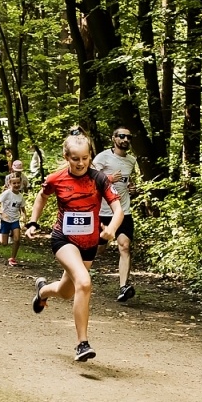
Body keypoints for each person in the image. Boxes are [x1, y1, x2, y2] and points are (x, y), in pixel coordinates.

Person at [25, 134, 122, 362]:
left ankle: (42, 291)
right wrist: (32, 221)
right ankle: (82, 343)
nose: (81, 163)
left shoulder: (99, 179)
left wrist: (111, 230)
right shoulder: (56, 179)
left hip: (88, 244)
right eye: (76, 159)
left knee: (66, 292)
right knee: (85, 282)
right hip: (63, 239)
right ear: (66, 157)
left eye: (85, 158)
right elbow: (41, 197)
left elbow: (118, 209)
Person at [92, 127, 140, 302]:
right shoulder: (102, 158)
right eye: (122, 136)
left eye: (128, 137)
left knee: (124, 246)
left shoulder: (131, 161)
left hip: (122, 211)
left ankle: (123, 287)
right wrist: (109, 179)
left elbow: (127, 182)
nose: (125, 139)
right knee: (99, 249)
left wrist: (131, 188)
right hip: (102, 211)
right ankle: (76, 271)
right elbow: (90, 179)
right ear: (114, 138)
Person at [0, 171, 27, 266]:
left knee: (17, 239)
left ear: (20, 183)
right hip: (5, 220)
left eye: (18, 183)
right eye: (14, 183)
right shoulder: (6, 194)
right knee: (4, 243)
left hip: (15, 220)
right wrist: (2, 213)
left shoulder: (20, 196)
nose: (16, 185)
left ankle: (13, 258)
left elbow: (23, 209)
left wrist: (24, 218)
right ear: (10, 183)